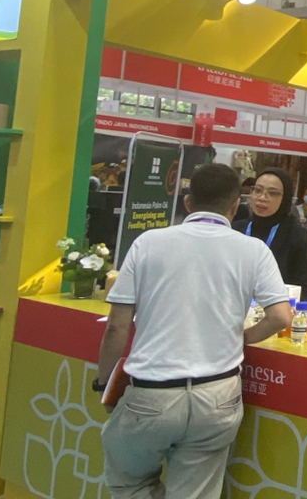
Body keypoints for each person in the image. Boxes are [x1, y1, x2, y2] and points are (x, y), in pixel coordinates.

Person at [96, 163, 293, 499]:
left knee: (129, 484)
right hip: (218, 396)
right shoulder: (254, 250)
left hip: (151, 393)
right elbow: (280, 317)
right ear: (235, 207)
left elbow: (116, 326)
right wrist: (243, 337)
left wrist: (103, 383)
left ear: (187, 202)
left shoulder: (148, 243)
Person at [232, 168, 307, 301]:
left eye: (273, 193)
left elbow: (303, 289)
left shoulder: (298, 236)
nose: (262, 198)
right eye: (258, 190)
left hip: (274, 314)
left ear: (285, 198)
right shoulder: (236, 230)